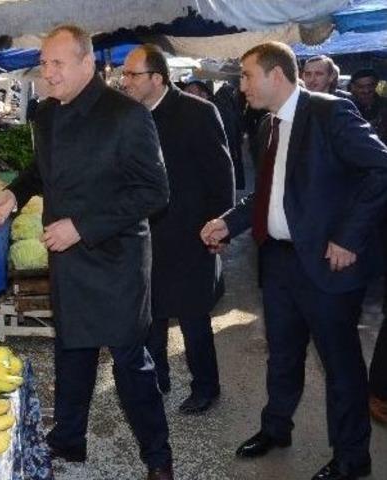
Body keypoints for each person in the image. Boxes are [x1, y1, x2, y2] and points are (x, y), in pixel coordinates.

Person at [0, 25, 173, 480]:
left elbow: (154, 192)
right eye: (44, 63)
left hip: (117, 260)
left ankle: (158, 456)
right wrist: (15, 193)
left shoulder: (127, 115)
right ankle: (69, 439)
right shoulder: (46, 114)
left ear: (87, 64)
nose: (47, 73)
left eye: (58, 63)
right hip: (68, 257)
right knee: (72, 351)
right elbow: (42, 170)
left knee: (130, 363)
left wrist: (83, 227)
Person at [200, 41, 387, 480]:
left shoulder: (329, 112)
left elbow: (381, 168)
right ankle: (275, 428)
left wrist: (348, 238)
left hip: (326, 264)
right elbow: (268, 194)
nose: (242, 86)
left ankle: (352, 458)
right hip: (279, 262)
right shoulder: (268, 125)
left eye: (247, 76)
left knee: (340, 367)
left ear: (276, 75)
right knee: (282, 356)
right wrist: (228, 222)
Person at [121, 45, 235, 414]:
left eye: (132, 74)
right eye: (124, 74)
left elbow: (222, 175)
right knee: (150, 315)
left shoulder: (198, 112)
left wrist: (221, 226)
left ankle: (206, 387)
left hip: (191, 234)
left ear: (157, 78)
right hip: (145, 234)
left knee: (193, 317)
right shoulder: (130, 115)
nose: (125, 81)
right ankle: (158, 378)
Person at [349, 69, 387, 142]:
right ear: (353, 87)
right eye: (360, 87)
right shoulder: (346, 107)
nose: (366, 91)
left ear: (376, 85)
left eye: (370, 86)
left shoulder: (384, 106)